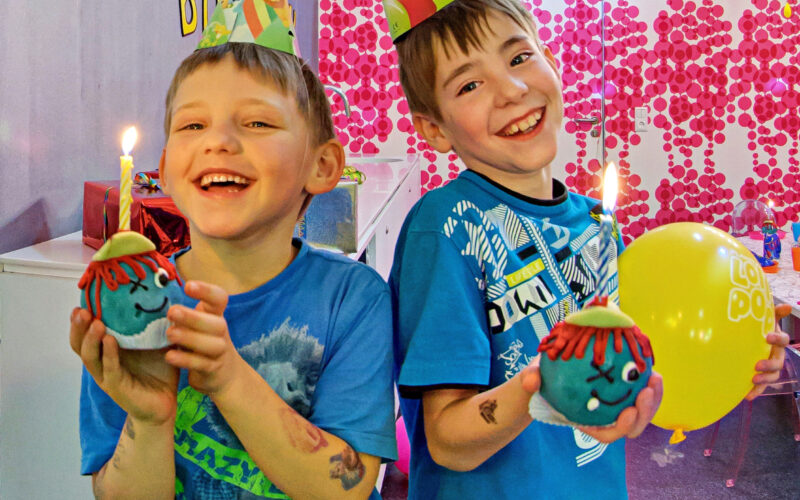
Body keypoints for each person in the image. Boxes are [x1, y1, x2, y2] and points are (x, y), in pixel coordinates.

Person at [384, 0, 790, 498]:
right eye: (470, 85)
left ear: (551, 61)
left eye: (519, 58)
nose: (511, 90)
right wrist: (544, 384)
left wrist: (730, 357)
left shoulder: (599, 226)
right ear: (433, 128)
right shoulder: (446, 227)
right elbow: (448, 442)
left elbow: (628, 379)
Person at [69, 3, 396, 498]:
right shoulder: (132, 304)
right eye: (192, 126)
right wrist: (150, 418)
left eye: (258, 123)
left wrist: (228, 379)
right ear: (164, 170)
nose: (218, 142)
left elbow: (346, 487)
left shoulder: (352, 299)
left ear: (322, 165)